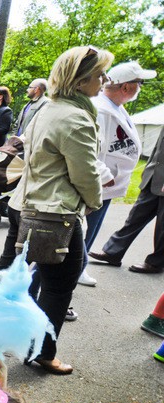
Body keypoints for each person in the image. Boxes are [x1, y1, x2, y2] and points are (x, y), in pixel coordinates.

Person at [0, 45, 113, 374]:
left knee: (12, 266)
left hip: (24, 203)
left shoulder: (47, 108)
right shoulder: (76, 118)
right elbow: (85, 174)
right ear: (82, 80)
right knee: (59, 284)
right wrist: (95, 201)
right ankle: (42, 352)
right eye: (100, 75)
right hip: (53, 213)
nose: (103, 81)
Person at [79, 62, 156, 286]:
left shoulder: (115, 107)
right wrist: (104, 177)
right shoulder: (102, 110)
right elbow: (93, 150)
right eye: (139, 83)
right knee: (86, 228)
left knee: (91, 229)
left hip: (109, 183)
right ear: (125, 87)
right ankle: (75, 267)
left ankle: (79, 265)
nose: (140, 88)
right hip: (101, 183)